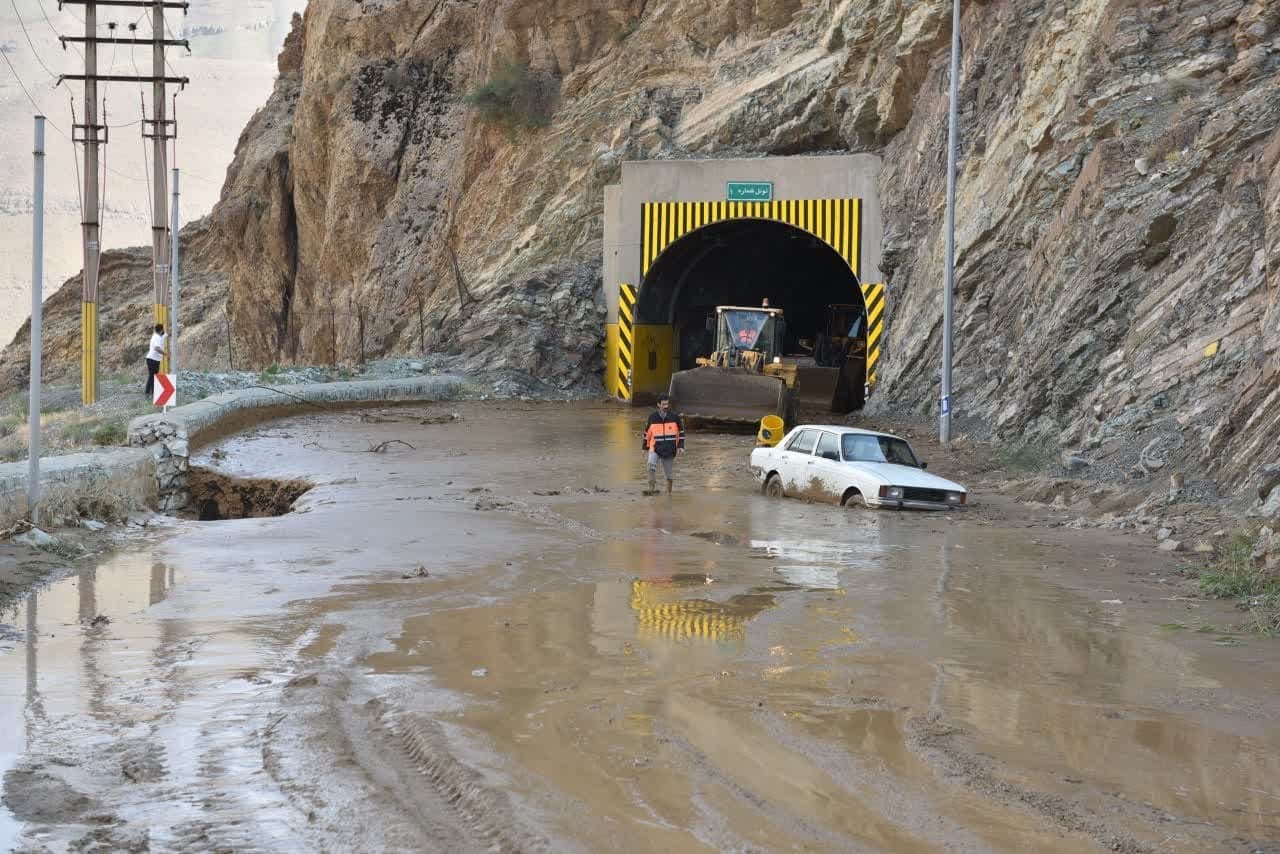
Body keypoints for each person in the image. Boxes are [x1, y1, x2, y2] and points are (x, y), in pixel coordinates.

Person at [642, 393, 685, 495]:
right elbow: (647, 433)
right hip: (655, 447)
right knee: (650, 465)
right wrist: (644, 447)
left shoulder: (675, 417)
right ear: (658, 404)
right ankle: (651, 489)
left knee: (669, 475)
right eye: (663, 404)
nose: (666, 406)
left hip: (669, 449)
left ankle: (668, 494)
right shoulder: (652, 417)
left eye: (667, 404)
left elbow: (681, 432)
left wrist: (680, 446)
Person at [145, 324, 166, 397]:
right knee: (152, 377)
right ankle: (148, 393)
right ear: (161, 330)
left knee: (153, 377)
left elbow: (163, 337)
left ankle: (151, 393)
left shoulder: (155, 336)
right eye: (163, 330)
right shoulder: (157, 337)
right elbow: (157, 348)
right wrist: (165, 354)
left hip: (153, 359)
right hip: (153, 359)